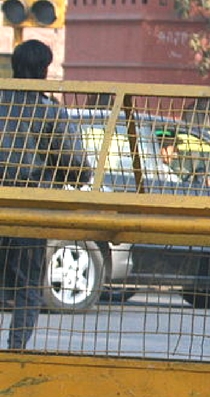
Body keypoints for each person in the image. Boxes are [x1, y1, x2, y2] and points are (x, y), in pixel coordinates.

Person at [0, 40, 91, 351]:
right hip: (31, 208)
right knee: (27, 283)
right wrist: (77, 179)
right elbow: (74, 162)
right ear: (43, 70)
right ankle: (15, 350)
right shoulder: (49, 112)